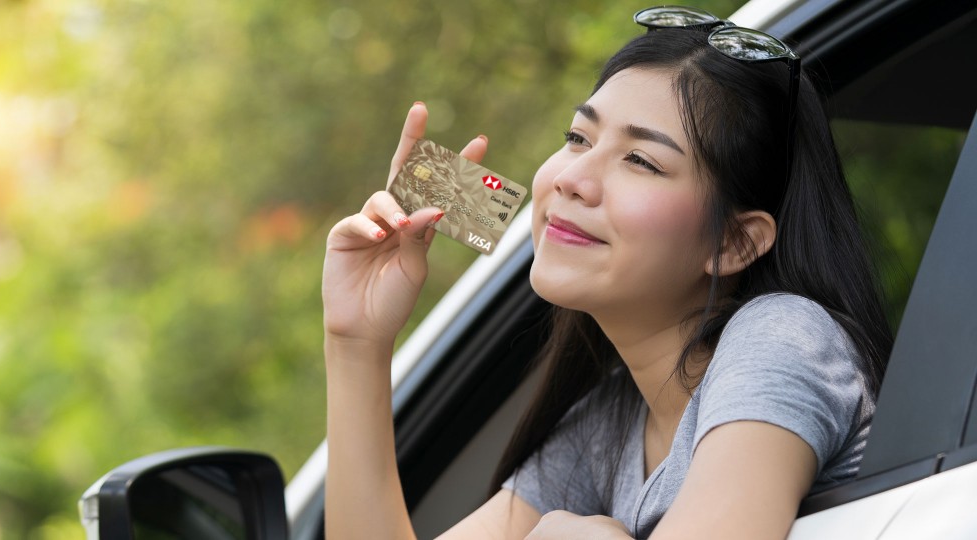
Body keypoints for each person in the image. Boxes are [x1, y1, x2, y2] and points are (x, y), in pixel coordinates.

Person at [321, 6, 893, 539]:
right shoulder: (612, 421)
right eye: (577, 138)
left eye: (641, 160)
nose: (573, 178)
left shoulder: (784, 336)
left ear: (735, 241)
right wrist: (356, 341)